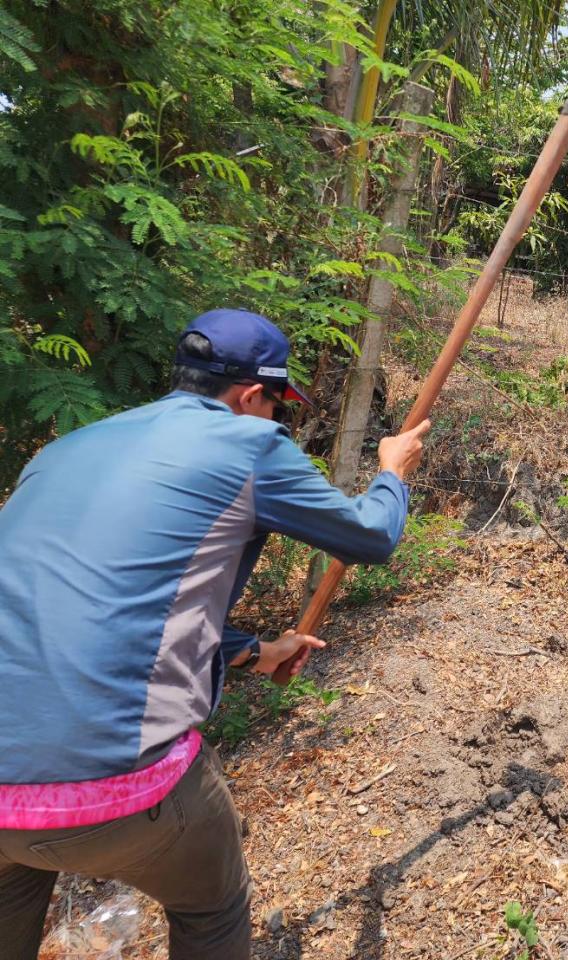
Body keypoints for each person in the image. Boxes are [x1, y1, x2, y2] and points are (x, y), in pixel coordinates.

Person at [0, 309, 431, 960]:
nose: (278, 420)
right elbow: (370, 536)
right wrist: (393, 472)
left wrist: (258, 652)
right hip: (122, 787)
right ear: (251, 396)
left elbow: (103, 603)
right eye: (278, 404)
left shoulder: (64, 452)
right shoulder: (248, 446)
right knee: (213, 909)